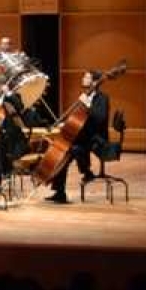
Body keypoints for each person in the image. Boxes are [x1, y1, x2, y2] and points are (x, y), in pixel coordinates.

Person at [45, 70, 109, 204]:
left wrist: (87, 105)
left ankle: (86, 172)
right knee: (64, 153)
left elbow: (100, 118)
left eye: (86, 77)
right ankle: (61, 191)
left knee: (71, 150)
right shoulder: (85, 96)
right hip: (83, 136)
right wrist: (66, 123)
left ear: (95, 82)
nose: (83, 78)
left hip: (96, 137)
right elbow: (78, 117)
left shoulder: (102, 98)